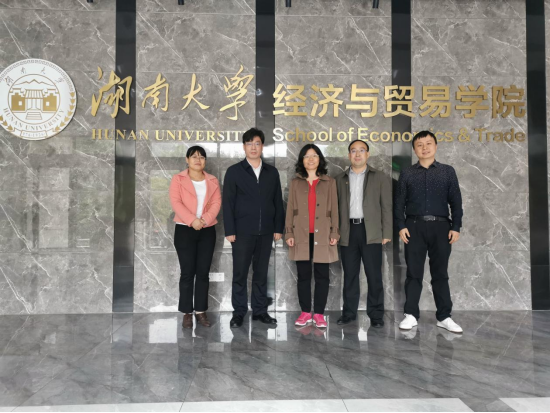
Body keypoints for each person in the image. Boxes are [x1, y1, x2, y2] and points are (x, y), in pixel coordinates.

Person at [394, 131, 464, 334]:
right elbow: (399, 203)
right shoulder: (407, 173)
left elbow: (456, 202)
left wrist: (456, 226)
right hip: (413, 227)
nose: (424, 148)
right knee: (413, 273)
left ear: (435, 146)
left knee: (440, 274)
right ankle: (410, 314)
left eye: (428, 143)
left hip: (441, 228)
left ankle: (444, 316)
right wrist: (401, 226)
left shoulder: (447, 171)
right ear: (414, 149)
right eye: (420, 145)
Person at [223, 128, 285, 329]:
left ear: (262, 146)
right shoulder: (234, 171)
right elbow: (228, 203)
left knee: (261, 274)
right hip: (242, 232)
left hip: (266, 232)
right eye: (249, 143)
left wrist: (278, 228)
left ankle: (260, 311)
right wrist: (229, 230)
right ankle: (239, 313)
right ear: (244, 147)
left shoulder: (271, 172)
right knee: (240, 274)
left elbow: (278, 202)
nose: (253, 147)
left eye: (257, 143)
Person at [335, 140, 392, 328]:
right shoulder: (339, 179)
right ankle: (349, 313)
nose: (357, 154)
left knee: (374, 275)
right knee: (350, 275)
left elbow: (386, 206)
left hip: (372, 230)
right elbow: (334, 209)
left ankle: (376, 315)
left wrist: (386, 231)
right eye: (353, 151)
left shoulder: (379, 177)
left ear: (368, 154)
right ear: (349, 155)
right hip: (348, 231)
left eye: (361, 150)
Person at [285, 144, 340, 329]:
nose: (310, 159)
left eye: (314, 155)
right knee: (303, 275)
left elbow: (334, 210)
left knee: (322, 276)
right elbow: (290, 210)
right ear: (302, 160)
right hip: (300, 235)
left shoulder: (329, 182)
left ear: (319, 159)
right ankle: (305, 312)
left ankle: (319, 314)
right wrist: (289, 232)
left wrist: (334, 231)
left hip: (323, 235)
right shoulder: (295, 183)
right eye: (307, 156)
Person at [169, 146, 222, 329]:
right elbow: (176, 202)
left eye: (201, 157)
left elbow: (216, 203)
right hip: (185, 229)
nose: (198, 160)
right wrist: (192, 220)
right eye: (194, 156)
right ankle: (186, 312)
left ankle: (200, 311)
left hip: (207, 230)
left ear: (205, 161)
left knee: (203, 272)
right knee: (187, 272)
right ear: (187, 159)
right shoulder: (178, 179)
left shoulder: (212, 180)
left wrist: (204, 220)